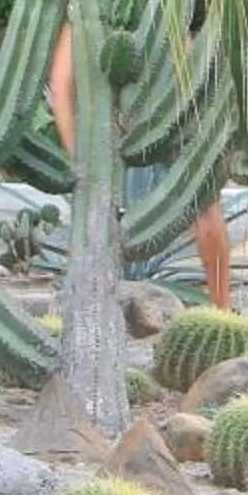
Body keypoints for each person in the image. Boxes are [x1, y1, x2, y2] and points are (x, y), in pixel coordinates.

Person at [48, 24, 233, 309]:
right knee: (205, 206)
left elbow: (61, 88)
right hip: (167, 112)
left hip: (107, 127)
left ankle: (79, 311)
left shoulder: (85, 2)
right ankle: (223, 309)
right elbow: (188, 70)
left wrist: (78, 158)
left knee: (90, 215)